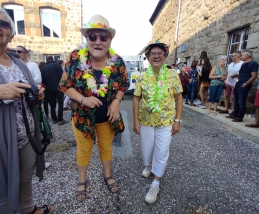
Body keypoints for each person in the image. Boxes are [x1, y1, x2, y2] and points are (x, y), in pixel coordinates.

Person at [0, 6, 52, 214]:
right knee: (3, 190)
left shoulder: (18, 62)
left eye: (4, 23)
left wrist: (38, 95)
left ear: (11, 33)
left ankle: (26, 209)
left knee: (25, 178)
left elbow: (29, 91)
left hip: (27, 135)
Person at [59, 14, 127, 201]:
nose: (98, 42)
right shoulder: (75, 58)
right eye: (93, 37)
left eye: (103, 37)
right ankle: (82, 180)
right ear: (87, 39)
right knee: (84, 150)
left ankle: (108, 175)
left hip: (107, 118)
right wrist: (83, 100)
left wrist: (116, 101)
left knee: (106, 149)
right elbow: (65, 85)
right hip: (82, 118)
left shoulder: (117, 61)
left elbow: (122, 85)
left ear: (109, 40)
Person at [133, 42, 183, 204]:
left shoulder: (173, 75)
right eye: (152, 53)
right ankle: (148, 165)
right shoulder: (141, 77)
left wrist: (177, 121)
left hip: (166, 121)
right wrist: (135, 121)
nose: (156, 55)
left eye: (160, 53)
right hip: (146, 120)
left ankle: (156, 183)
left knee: (161, 151)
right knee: (147, 150)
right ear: (147, 57)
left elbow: (179, 98)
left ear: (165, 56)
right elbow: (136, 98)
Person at [226, 49, 259, 122]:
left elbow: (253, 76)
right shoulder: (244, 63)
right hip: (238, 83)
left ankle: (240, 116)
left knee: (241, 101)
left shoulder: (253, 63)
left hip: (244, 85)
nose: (240, 56)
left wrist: (246, 84)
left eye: (242, 55)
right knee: (236, 100)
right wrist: (236, 75)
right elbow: (243, 73)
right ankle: (235, 114)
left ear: (247, 55)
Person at [42, 56, 68, 125]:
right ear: (53, 59)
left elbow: (43, 79)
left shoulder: (44, 67)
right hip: (58, 87)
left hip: (49, 89)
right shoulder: (57, 65)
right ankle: (60, 119)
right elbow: (62, 76)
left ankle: (54, 119)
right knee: (60, 103)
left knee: (52, 105)